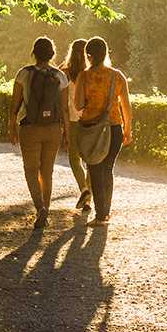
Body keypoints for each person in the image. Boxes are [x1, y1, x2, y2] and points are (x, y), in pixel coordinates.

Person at [8, 36, 70, 230]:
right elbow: (64, 108)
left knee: (31, 170)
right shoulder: (60, 76)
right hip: (53, 128)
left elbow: (15, 104)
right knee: (47, 171)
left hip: (29, 127)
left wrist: (12, 126)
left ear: (33, 53)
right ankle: (47, 208)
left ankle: (40, 207)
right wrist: (67, 132)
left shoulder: (23, 74)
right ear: (52, 54)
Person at [72, 37, 132, 227]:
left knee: (95, 170)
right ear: (106, 53)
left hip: (92, 130)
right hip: (114, 128)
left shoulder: (84, 76)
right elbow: (126, 106)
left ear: (88, 56)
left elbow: (78, 104)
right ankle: (105, 212)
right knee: (108, 170)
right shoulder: (117, 76)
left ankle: (100, 216)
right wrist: (128, 129)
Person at [62, 38, 91, 213]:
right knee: (91, 161)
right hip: (89, 120)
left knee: (74, 159)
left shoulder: (64, 73)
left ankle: (83, 189)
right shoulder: (91, 73)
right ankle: (88, 199)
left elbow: (62, 103)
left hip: (72, 121)